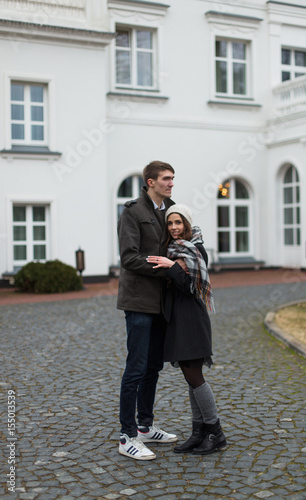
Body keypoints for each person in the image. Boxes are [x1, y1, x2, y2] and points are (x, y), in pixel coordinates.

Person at [147, 204, 227, 455]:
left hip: (191, 319)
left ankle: (215, 432)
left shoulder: (196, 249)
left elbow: (188, 287)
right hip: (178, 320)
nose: (174, 228)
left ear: (187, 224)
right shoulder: (174, 250)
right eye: (170, 223)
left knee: (196, 378)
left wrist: (170, 265)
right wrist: (170, 263)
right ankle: (199, 432)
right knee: (190, 379)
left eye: (178, 223)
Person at [117, 160, 178, 461]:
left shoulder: (171, 211)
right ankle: (126, 435)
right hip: (139, 302)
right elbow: (129, 258)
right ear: (150, 182)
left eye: (172, 179)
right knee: (136, 367)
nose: (170, 183)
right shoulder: (132, 212)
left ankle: (145, 426)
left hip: (161, 303)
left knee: (154, 366)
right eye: (166, 179)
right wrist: (166, 270)